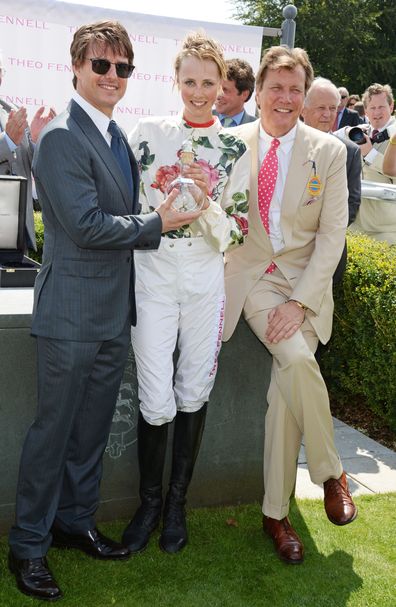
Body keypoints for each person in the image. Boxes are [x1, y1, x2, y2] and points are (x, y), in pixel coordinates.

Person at [8, 20, 201, 602]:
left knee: (90, 431)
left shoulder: (115, 135)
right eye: (101, 65)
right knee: (53, 434)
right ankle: (28, 546)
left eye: (123, 68)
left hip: (115, 313)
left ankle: (74, 521)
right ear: (76, 67)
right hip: (70, 315)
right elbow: (87, 225)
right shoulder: (63, 135)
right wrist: (159, 222)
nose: (113, 76)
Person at [223, 46, 357, 565]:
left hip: (307, 285)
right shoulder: (229, 144)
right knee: (298, 361)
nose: (285, 98)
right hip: (253, 277)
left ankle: (275, 515)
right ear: (257, 93)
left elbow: (331, 239)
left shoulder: (329, 152)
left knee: (285, 396)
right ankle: (332, 472)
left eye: (294, 89)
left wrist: (301, 303)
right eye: (275, 88)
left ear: (305, 97)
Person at [122, 32, 250, 556]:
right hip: (151, 276)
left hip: (203, 280)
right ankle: (147, 503)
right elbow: (124, 209)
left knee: (193, 388)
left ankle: (176, 504)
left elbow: (236, 231)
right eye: (189, 81)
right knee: (154, 395)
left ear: (223, 84)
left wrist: (212, 197)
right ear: (175, 81)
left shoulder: (235, 146)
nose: (199, 92)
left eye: (208, 82)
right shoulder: (145, 132)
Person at [302, 77, 361, 284]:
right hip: (284, 252)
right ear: (303, 109)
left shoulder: (350, 151)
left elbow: (352, 205)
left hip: (328, 253)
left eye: (332, 108)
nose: (327, 114)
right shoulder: (285, 145)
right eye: (320, 108)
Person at [0, 51, 55, 250]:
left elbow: (28, 163)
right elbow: (8, 144)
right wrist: (7, 141)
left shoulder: (11, 110)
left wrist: (36, 140)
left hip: (17, 229)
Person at [349, 83, 396, 243]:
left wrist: (370, 154)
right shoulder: (359, 134)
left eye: (381, 107)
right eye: (372, 107)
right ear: (365, 110)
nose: (376, 113)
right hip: (356, 226)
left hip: (387, 230)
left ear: (391, 106)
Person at [214, 57, 256, 126]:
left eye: (225, 90)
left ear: (244, 94)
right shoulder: (200, 120)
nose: (218, 95)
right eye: (217, 88)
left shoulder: (257, 129)